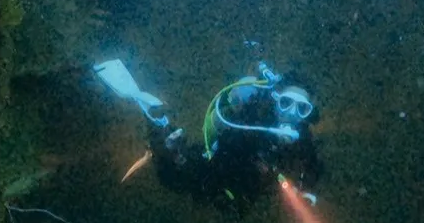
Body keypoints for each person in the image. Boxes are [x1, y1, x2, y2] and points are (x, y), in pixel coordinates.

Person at [95, 59, 322, 213]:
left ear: (308, 113)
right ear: (274, 101)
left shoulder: (302, 137)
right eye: (286, 103)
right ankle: (158, 125)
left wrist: (306, 189)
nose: (292, 114)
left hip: (243, 189)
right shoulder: (250, 120)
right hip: (219, 169)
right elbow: (222, 155)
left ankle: (164, 137)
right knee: (179, 175)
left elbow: (312, 165)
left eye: (301, 109)